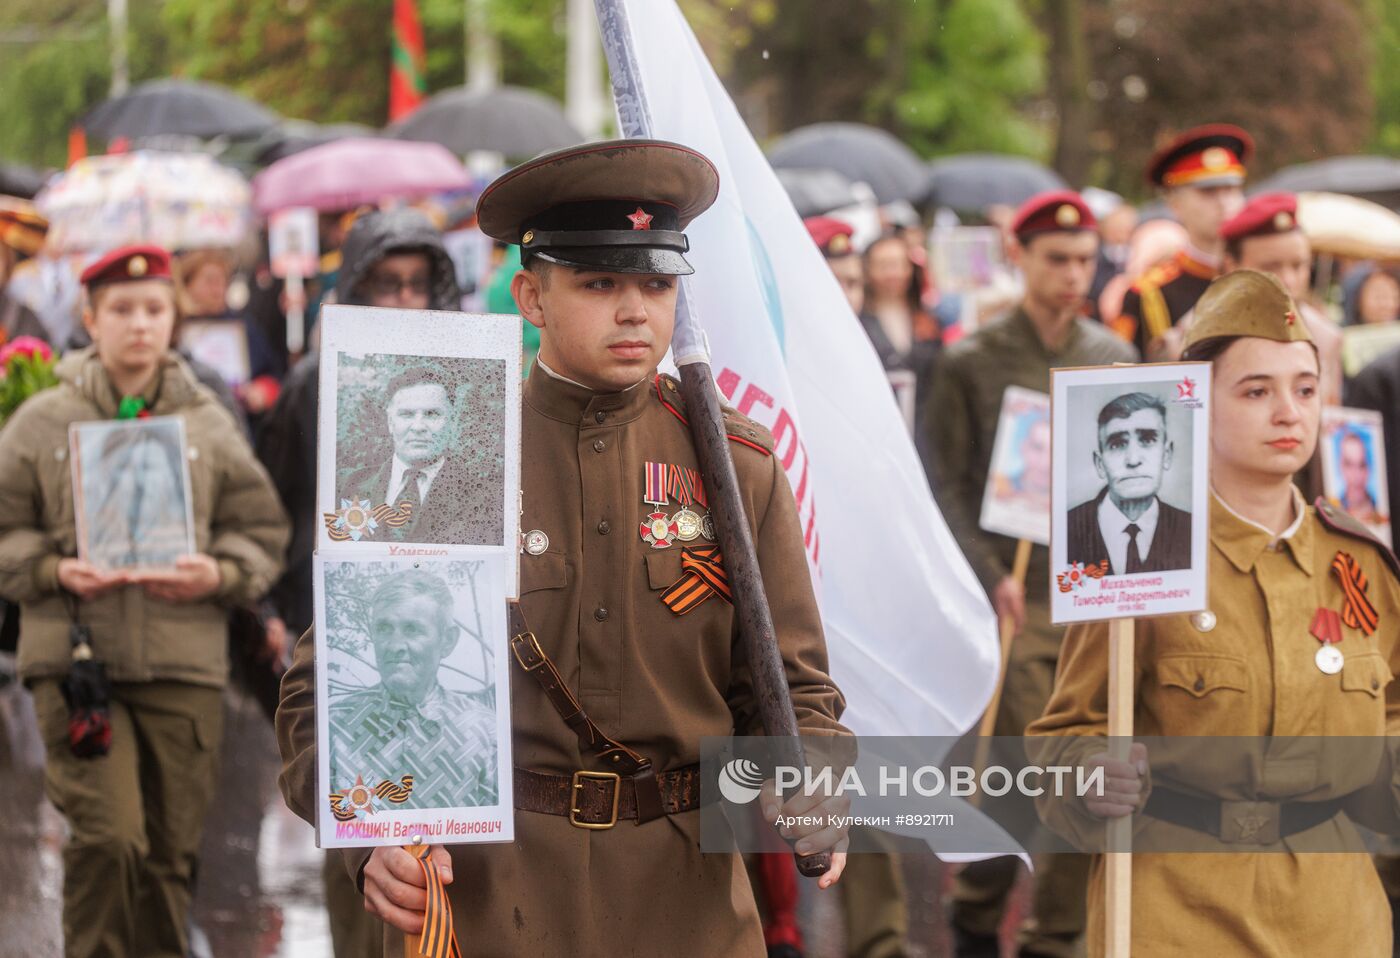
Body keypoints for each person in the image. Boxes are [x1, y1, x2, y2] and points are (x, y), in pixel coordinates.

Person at [276, 139, 851, 956]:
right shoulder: (454, 453)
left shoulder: (733, 464)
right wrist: (368, 839)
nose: (635, 310)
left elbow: (793, 690)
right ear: (531, 297)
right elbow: (323, 692)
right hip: (495, 897)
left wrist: (815, 775)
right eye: (599, 283)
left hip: (687, 902)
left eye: (656, 284)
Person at [1029, 269, 1400, 956]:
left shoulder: (1361, 564)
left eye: (1306, 389)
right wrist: (1088, 776)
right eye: (1256, 391)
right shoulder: (1138, 556)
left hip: (1336, 915)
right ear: (1193, 408)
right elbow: (1064, 734)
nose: (1289, 412)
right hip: (1177, 908)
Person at [0, 244, 288, 958]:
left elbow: (261, 531)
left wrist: (217, 576)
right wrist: (51, 569)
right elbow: (6, 528)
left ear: (175, 320)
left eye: (154, 309)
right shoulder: (41, 422)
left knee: (167, 853)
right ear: (90, 320)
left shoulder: (208, 421)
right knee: (107, 840)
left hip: (183, 665)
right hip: (78, 665)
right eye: (121, 310)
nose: (139, 325)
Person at [919, 190, 1136, 958]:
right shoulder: (971, 361)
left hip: (1097, 590)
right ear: (1022, 258)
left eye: (1085, 259)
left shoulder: (1112, 358)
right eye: (1059, 259)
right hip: (1012, 596)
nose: (1075, 273)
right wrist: (987, 574)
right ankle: (977, 916)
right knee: (1009, 767)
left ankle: (1057, 932)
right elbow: (941, 482)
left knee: (1090, 775)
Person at [255, 206, 461, 958]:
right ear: (356, 290)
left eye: (417, 285)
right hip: (343, 633)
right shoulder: (315, 382)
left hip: (441, 630)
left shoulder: (471, 385)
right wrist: (281, 612)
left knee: (448, 866)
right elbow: (276, 502)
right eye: (386, 284)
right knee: (362, 850)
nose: (404, 301)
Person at [327, 569, 496, 809]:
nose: (395, 645)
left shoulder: (484, 732)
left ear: (447, 640)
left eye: (412, 629)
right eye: (384, 628)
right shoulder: (336, 725)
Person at [1118, 124, 1250, 359]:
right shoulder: (1149, 294)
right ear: (1175, 205)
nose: (1223, 203)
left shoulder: (1257, 279)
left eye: (1231, 189)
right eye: (1208, 192)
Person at [337, 367, 498, 544]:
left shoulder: (483, 498)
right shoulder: (350, 486)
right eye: (406, 414)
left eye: (431, 414)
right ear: (391, 423)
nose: (418, 427)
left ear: (452, 422)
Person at [1217, 192, 1343, 405]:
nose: (1288, 280)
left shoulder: (1326, 337)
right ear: (1232, 266)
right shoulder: (1194, 338)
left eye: (1298, 265)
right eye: (1271, 267)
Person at [1065, 392, 1192, 575]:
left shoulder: (1192, 530)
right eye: (1117, 444)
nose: (1133, 460)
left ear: (1167, 455)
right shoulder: (1065, 529)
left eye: (1148, 440)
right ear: (1100, 464)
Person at [1338, 429, 1382, 525]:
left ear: (1369, 468)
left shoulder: (1381, 509)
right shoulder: (1334, 509)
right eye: (1349, 464)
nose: (1356, 474)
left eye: (1362, 465)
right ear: (1340, 466)